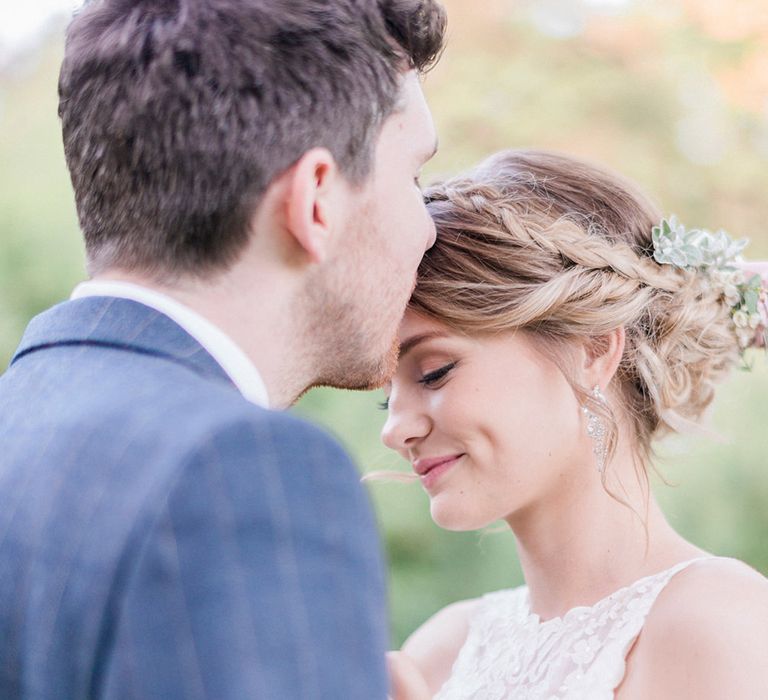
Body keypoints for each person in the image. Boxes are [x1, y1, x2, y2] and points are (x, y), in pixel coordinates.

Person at [0, 0, 445, 697]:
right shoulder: (237, 473)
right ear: (317, 201)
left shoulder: (19, 419)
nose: (430, 230)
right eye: (414, 177)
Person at [381, 150, 768, 699]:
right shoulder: (442, 651)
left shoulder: (718, 624)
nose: (394, 430)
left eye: (435, 372)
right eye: (385, 397)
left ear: (590, 350)